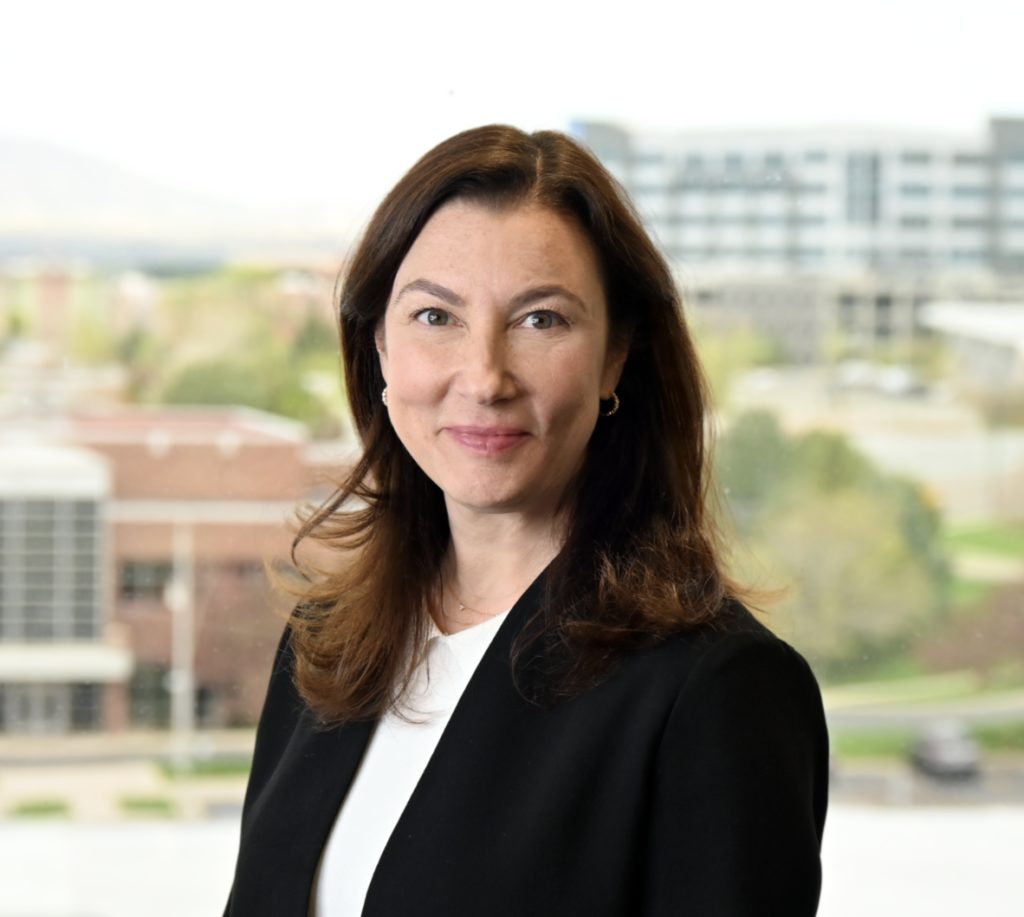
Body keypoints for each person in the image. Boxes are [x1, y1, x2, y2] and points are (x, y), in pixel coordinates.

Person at [224, 125, 829, 916]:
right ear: (378, 345)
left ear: (617, 356)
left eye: (541, 320)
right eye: (436, 317)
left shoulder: (717, 692)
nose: (484, 377)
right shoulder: (324, 644)